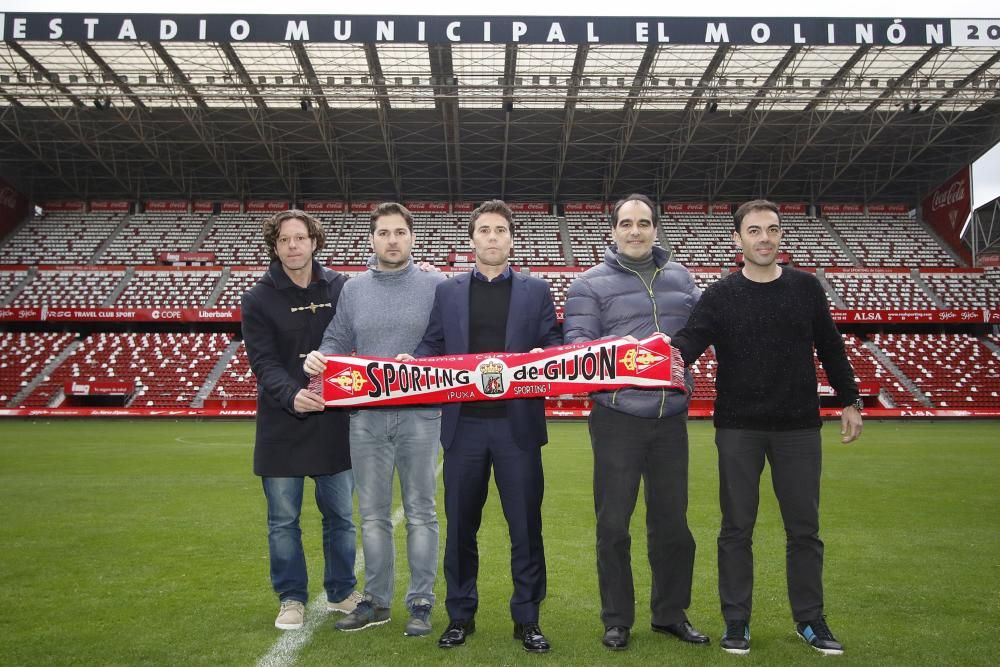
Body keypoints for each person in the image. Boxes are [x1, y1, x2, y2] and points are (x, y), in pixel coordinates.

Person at [670, 198, 863, 656]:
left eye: (772, 230)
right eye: (754, 231)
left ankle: (810, 620)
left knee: (804, 529)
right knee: (737, 527)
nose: (764, 238)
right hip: (739, 428)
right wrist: (643, 359)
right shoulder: (720, 295)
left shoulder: (806, 289)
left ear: (781, 236)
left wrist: (850, 400)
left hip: (798, 426)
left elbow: (831, 348)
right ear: (737, 240)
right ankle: (736, 621)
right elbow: (687, 344)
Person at [398, 199, 562, 653]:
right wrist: (416, 359)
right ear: (471, 240)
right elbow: (434, 341)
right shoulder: (448, 292)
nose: (492, 238)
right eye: (484, 230)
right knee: (461, 528)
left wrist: (541, 356)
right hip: (464, 428)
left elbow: (553, 341)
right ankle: (460, 616)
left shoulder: (537, 291)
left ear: (512, 239)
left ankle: (527, 619)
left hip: (518, 430)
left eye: (500, 231)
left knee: (526, 528)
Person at [563, 193, 708, 651]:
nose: (635, 231)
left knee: (672, 526)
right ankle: (617, 620)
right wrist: (634, 357)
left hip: (671, 419)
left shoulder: (682, 278)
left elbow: (703, 333)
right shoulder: (587, 284)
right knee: (614, 525)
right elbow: (578, 348)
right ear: (613, 230)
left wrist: (685, 368)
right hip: (617, 417)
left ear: (655, 228)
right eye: (626, 223)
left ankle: (670, 614)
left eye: (643, 223)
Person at [302, 202, 446, 636]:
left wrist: (422, 360)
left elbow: (449, 342)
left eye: (400, 232)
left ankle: (420, 601)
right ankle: (377, 601)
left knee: (422, 512)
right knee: (372, 515)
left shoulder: (438, 285)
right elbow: (337, 338)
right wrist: (319, 358)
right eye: (384, 233)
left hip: (421, 416)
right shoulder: (354, 289)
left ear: (412, 237)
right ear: (372, 239)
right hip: (366, 419)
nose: (392, 240)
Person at [241, 209, 359, 631]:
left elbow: (353, 344)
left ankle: (342, 591)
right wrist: (293, 395)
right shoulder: (257, 297)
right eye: (285, 239)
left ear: (314, 242)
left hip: (334, 424)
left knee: (341, 517)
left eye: (300, 238)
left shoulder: (343, 287)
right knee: (283, 521)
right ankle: (291, 598)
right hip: (281, 426)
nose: (293, 246)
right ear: (275, 246)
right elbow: (263, 362)